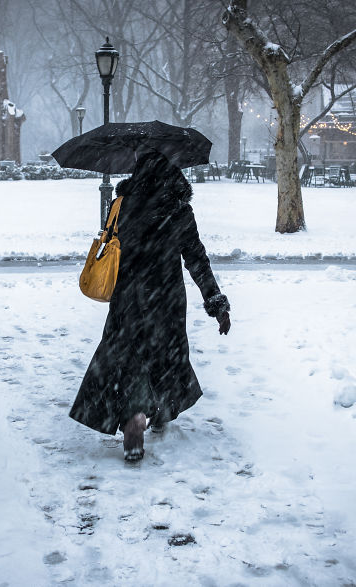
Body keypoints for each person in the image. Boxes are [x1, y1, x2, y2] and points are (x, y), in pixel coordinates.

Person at [69, 151, 231, 461]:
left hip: (128, 297)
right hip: (166, 298)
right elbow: (196, 259)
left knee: (129, 358)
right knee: (165, 358)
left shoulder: (121, 205)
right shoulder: (179, 210)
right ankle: (158, 411)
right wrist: (216, 302)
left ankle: (135, 416)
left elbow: (111, 243)